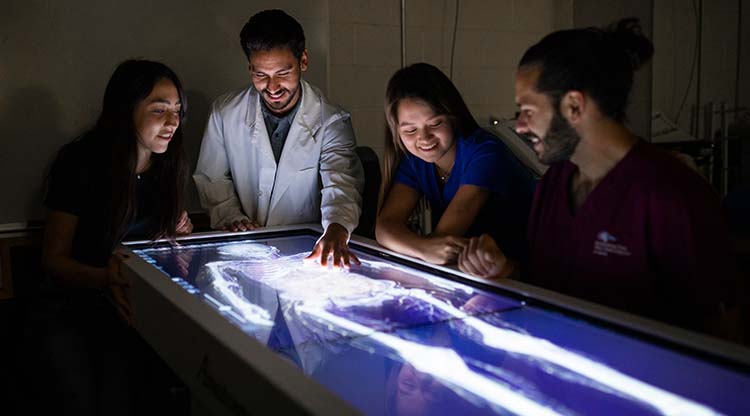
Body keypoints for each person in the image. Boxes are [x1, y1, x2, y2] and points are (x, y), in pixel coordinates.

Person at [459, 19, 740, 336]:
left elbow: (723, 333)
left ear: (574, 106)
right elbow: (547, 285)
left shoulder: (672, 194)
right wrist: (505, 271)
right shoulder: (555, 183)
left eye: (527, 110)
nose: (520, 126)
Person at [25, 59, 192, 415]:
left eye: (177, 110)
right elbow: (53, 259)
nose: (173, 121)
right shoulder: (81, 162)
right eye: (159, 109)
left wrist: (177, 240)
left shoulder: (169, 166)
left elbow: (160, 247)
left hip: (133, 314)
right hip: (70, 312)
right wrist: (105, 277)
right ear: (126, 109)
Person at [194, 9, 364, 268]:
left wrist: (337, 229)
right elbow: (212, 177)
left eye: (283, 73)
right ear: (250, 67)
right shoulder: (225, 112)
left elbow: (341, 186)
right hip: (244, 249)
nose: (272, 88)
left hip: (304, 254)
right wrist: (230, 215)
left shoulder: (332, 120)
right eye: (260, 75)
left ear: (303, 61)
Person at [375, 63, 535, 265]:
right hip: (480, 267)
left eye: (435, 124)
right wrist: (423, 248)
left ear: (454, 117)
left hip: (526, 268)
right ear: (396, 132)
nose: (424, 138)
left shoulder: (484, 152)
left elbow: (444, 240)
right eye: (410, 131)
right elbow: (385, 226)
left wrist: (422, 247)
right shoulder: (415, 161)